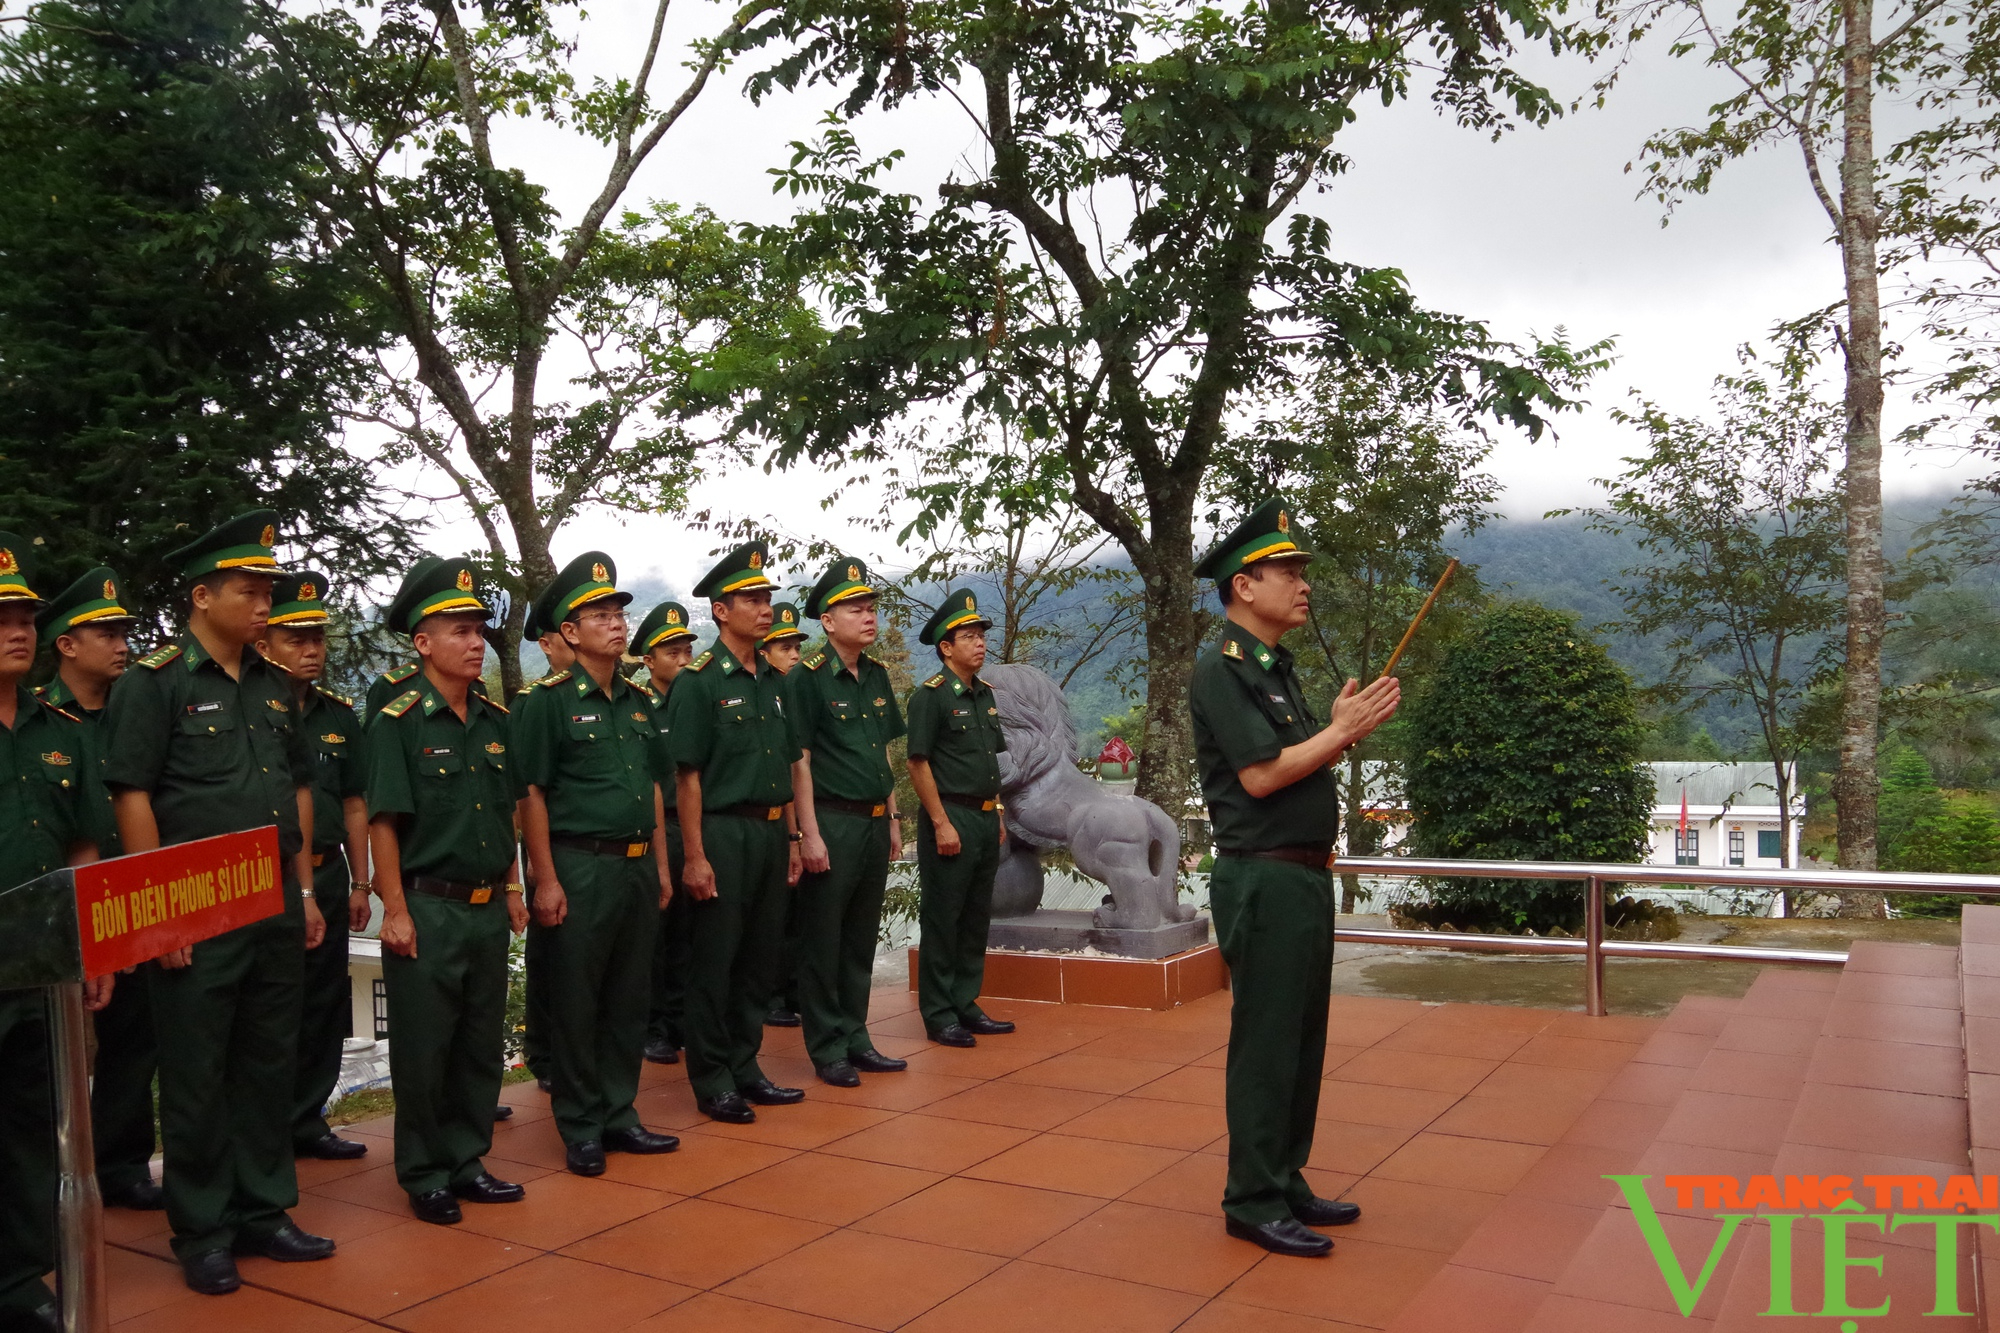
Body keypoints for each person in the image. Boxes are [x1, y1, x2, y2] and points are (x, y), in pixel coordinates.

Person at [99, 510, 335, 1295]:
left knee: (267, 1060)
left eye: (269, 589)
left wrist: (302, 891)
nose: (265, 603)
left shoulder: (274, 686)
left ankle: (264, 1209)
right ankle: (202, 1228)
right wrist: (158, 910)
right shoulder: (155, 683)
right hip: (194, 905)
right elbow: (132, 792)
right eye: (250, 589)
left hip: (271, 894)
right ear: (202, 597)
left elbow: (296, 787)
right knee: (198, 1069)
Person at [1190, 497, 1399, 1258]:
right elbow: (1260, 776)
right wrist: (1337, 734)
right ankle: (1250, 1197)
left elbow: (1298, 760)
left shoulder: (1276, 668)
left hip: (1304, 875)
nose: (1302, 584)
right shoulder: (1223, 667)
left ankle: (1284, 1175)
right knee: (1268, 1040)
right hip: (1264, 878)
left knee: (1303, 1038)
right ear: (1244, 585)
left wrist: (1335, 732)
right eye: (1288, 571)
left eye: (1303, 571)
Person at [367, 559, 531, 1224]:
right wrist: (396, 910)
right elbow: (383, 821)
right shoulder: (397, 720)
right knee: (424, 1046)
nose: (474, 642)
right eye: (459, 630)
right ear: (422, 641)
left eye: (479, 630)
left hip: (488, 904)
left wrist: (516, 886)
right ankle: (424, 1170)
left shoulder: (495, 720)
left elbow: (507, 813)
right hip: (428, 905)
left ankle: (468, 1159)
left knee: (477, 1041)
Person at [513, 552, 678, 1175]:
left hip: (636, 865)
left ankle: (620, 1113)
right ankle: (581, 1124)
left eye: (618, 613)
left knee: (628, 995)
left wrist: (662, 867)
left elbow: (655, 790)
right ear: (570, 632)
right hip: (580, 866)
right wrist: (545, 877)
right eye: (599, 615)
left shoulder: (638, 702)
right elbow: (531, 793)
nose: (615, 623)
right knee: (579, 999)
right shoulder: (545, 703)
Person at [0, 538, 113, 1333]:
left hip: (42, 969)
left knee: (34, 1123)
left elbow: (82, 847)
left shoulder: (60, 730)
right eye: (1, 616)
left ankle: (18, 1277)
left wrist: (92, 946)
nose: (18, 628)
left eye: (25, 615)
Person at [663, 541, 805, 1124]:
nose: (764, 607)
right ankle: (713, 1076)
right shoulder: (698, 682)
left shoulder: (775, 682)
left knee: (758, 958)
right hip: (722, 832)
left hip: (771, 834)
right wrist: (694, 855)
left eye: (768, 597)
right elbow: (687, 777)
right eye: (751, 598)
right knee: (715, 958)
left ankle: (746, 1065)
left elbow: (789, 767)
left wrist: (795, 840)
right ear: (721, 610)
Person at [34, 567, 156, 1212]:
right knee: (60, 1054)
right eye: (103, 632)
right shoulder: (43, 720)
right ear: (66, 644)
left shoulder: (135, 714)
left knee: (136, 1040)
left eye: (123, 631)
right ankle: (60, 1175)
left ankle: (124, 1164)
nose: (120, 643)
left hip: (133, 897)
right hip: (61, 912)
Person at [255, 572, 374, 1164]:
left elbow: (354, 802)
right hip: (266, 878)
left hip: (328, 874)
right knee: (273, 1005)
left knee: (325, 1002)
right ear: (264, 644)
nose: (311, 651)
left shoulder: (338, 715)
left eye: (318, 640)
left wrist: (360, 881)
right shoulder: (253, 711)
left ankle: (308, 1118)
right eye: (295, 639)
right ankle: (265, 1127)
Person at [786, 559, 908, 1086]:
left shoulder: (876, 675)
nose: (868, 616)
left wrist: (895, 816)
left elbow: (880, 753)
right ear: (828, 620)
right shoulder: (805, 680)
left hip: (873, 821)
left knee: (860, 936)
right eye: (855, 609)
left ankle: (857, 1036)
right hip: (831, 820)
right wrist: (807, 833)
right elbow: (800, 760)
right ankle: (827, 1045)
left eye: (871, 607)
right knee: (824, 938)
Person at [906, 589, 1013, 1047]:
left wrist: (1000, 811)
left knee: (974, 917)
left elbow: (992, 760)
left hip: (986, 817)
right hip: (950, 817)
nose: (980, 644)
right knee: (944, 918)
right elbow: (918, 762)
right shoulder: (930, 697)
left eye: (981, 636)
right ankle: (939, 1012)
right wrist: (940, 821)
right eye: (968, 637)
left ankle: (966, 1003)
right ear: (946, 648)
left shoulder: (984, 696)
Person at [631, 600, 697, 1066]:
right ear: (648, 660)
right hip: (658, 828)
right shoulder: (638, 706)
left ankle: (681, 1020)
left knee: (691, 933)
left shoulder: (699, 699)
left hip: (696, 827)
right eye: (671, 651)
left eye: (686, 650)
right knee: (654, 934)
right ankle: (651, 1027)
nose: (682, 658)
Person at [517, 583, 576, 1095]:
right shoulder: (538, 704)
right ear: (549, 642)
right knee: (553, 962)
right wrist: (539, 868)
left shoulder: (626, 702)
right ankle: (546, 1053)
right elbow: (527, 792)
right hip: (560, 852)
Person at [759, 600, 808, 1028]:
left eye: (796, 646)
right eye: (784, 647)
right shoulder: (764, 692)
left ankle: (794, 990)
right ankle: (771, 996)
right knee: (771, 916)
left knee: (797, 913)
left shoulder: (795, 692)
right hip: (766, 817)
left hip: (796, 817)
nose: (794, 654)